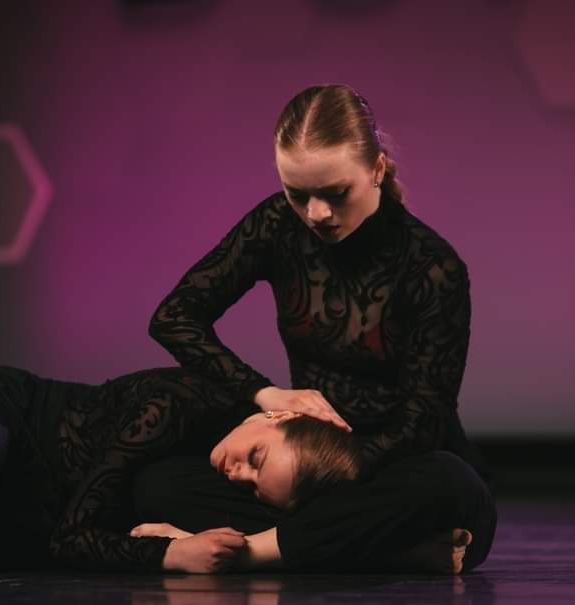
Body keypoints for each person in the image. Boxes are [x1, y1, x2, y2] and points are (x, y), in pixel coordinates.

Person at [140, 83, 497, 572]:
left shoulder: (433, 266)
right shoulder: (276, 225)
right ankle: (386, 549)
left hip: (396, 468)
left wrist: (334, 479)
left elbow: (424, 422)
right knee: (158, 482)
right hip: (298, 477)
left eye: (335, 194)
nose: (316, 214)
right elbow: (175, 317)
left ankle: (252, 551)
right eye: (297, 194)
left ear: (377, 169)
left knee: (449, 485)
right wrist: (265, 394)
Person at [0, 364, 441, 574]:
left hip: (45, 499)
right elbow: (76, 538)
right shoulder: (178, 406)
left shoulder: (215, 471)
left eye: (254, 486)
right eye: (255, 457)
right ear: (275, 414)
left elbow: (65, 533)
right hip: (11, 418)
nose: (236, 473)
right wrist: (168, 554)